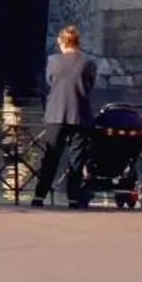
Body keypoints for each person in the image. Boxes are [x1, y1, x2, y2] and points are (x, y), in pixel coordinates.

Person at [31, 24, 99, 207]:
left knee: (51, 157)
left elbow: (49, 82)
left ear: (61, 42)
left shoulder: (53, 61)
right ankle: (73, 198)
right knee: (76, 159)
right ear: (78, 42)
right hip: (80, 114)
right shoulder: (88, 62)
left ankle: (39, 196)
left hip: (56, 113)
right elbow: (90, 86)